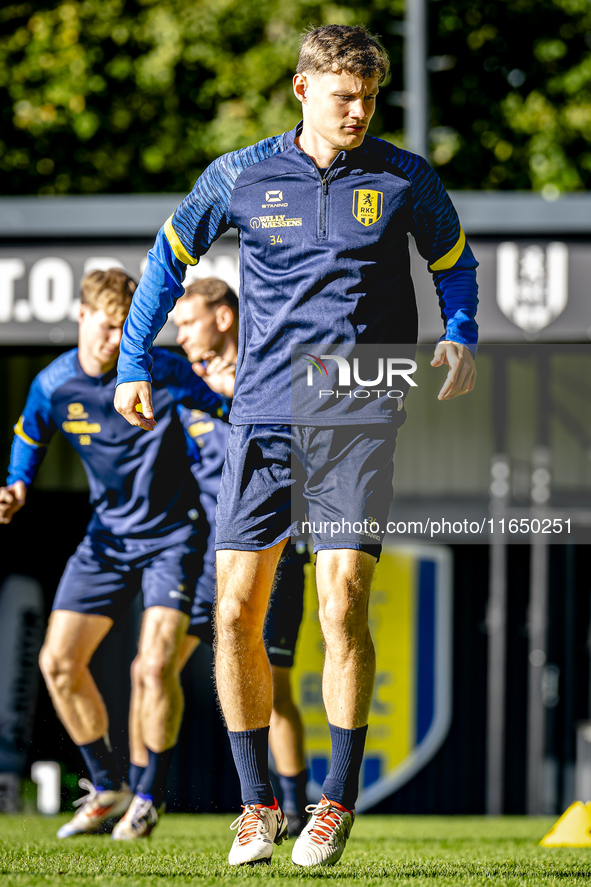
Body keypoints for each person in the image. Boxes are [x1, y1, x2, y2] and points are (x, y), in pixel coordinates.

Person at [114, 24, 478, 867]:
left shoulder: (404, 178)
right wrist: (135, 356)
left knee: (341, 596)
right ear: (301, 89)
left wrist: (458, 330)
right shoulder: (237, 176)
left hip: (357, 402)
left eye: (370, 98)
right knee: (235, 610)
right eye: (343, 96)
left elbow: (454, 262)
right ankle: (256, 805)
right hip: (265, 412)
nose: (358, 112)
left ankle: (335, 802)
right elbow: (167, 261)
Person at [0, 268, 232, 840]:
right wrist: (17, 483)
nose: (115, 341)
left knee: (153, 668)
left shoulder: (163, 370)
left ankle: (148, 795)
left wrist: (237, 386)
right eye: (106, 328)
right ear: (81, 317)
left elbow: (229, 406)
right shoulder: (54, 385)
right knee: (57, 663)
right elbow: (30, 435)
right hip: (105, 540)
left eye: (125, 330)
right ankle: (109, 788)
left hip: (176, 538)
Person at [127, 278, 310, 836]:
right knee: (150, 668)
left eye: (187, 322)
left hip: (272, 552)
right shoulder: (180, 383)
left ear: (224, 318)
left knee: (274, 692)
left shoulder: (274, 370)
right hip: (208, 556)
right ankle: (142, 797)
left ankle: (296, 809)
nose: (178, 336)